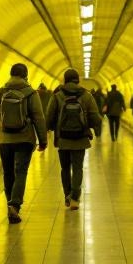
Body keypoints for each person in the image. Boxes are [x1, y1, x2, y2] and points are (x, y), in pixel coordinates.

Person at [0, 62, 47, 223]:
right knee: (21, 172)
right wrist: (43, 140)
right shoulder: (30, 93)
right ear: (25, 76)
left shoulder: (0, 92)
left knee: (8, 172)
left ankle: (10, 204)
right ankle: (15, 205)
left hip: (4, 139)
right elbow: (38, 117)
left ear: (11, 74)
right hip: (24, 139)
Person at [44, 68, 102, 210]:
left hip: (62, 139)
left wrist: (52, 128)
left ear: (65, 80)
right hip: (80, 139)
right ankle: (75, 198)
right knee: (77, 168)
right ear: (78, 80)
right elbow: (96, 118)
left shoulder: (57, 95)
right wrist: (92, 125)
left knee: (65, 168)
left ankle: (67, 196)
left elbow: (49, 117)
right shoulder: (86, 95)